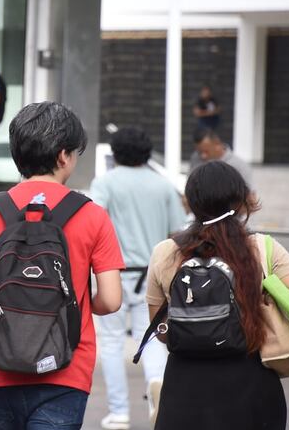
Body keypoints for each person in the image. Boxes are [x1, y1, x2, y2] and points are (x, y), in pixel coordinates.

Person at [0, 101, 124, 429]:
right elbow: (111, 301)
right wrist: (81, 302)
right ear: (64, 156)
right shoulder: (92, 215)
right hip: (66, 370)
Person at [146, 160, 289, 430]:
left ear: (191, 202)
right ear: (240, 200)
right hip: (252, 384)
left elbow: (161, 330)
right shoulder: (263, 248)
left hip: (184, 388)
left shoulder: (165, 251)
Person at [89, 127, 187, 430]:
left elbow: (94, 221)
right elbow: (177, 234)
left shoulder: (105, 183)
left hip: (113, 274)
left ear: (115, 153)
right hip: (154, 275)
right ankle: (157, 386)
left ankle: (119, 412)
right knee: (154, 339)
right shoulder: (162, 186)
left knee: (112, 342)